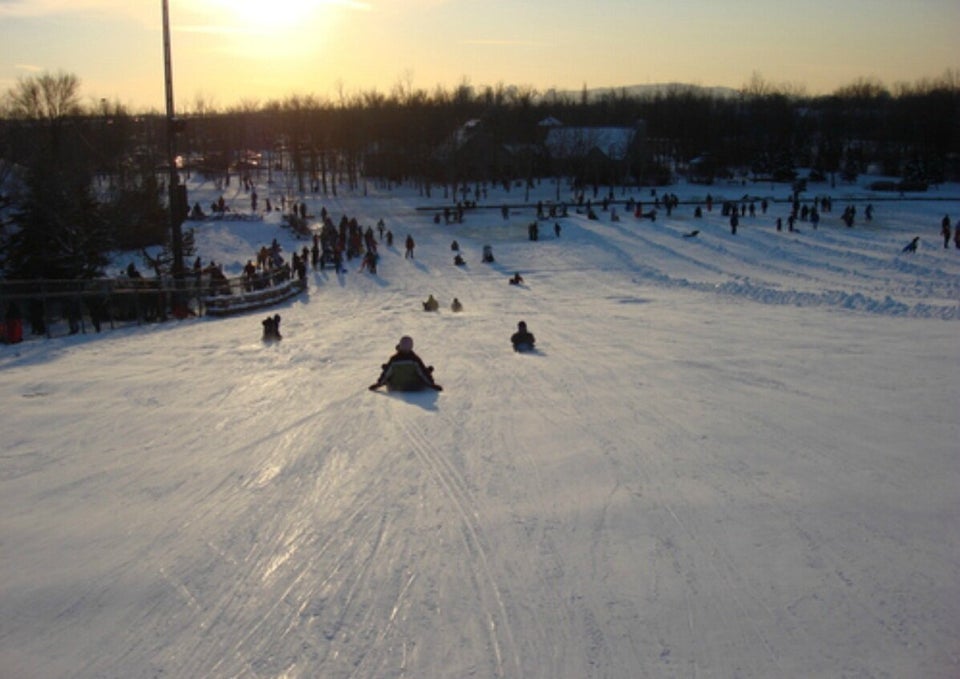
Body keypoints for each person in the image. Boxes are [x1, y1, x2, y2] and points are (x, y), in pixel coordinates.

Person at [369, 335, 443, 391]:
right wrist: (432, 384)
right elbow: (423, 373)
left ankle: (386, 369)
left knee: (387, 368)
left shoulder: (394, 359)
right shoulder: (415, 359)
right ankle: (429, 370)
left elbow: (386, 374)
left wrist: (378, 384)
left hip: (396, 386)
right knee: (424, 371)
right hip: (414, 385)